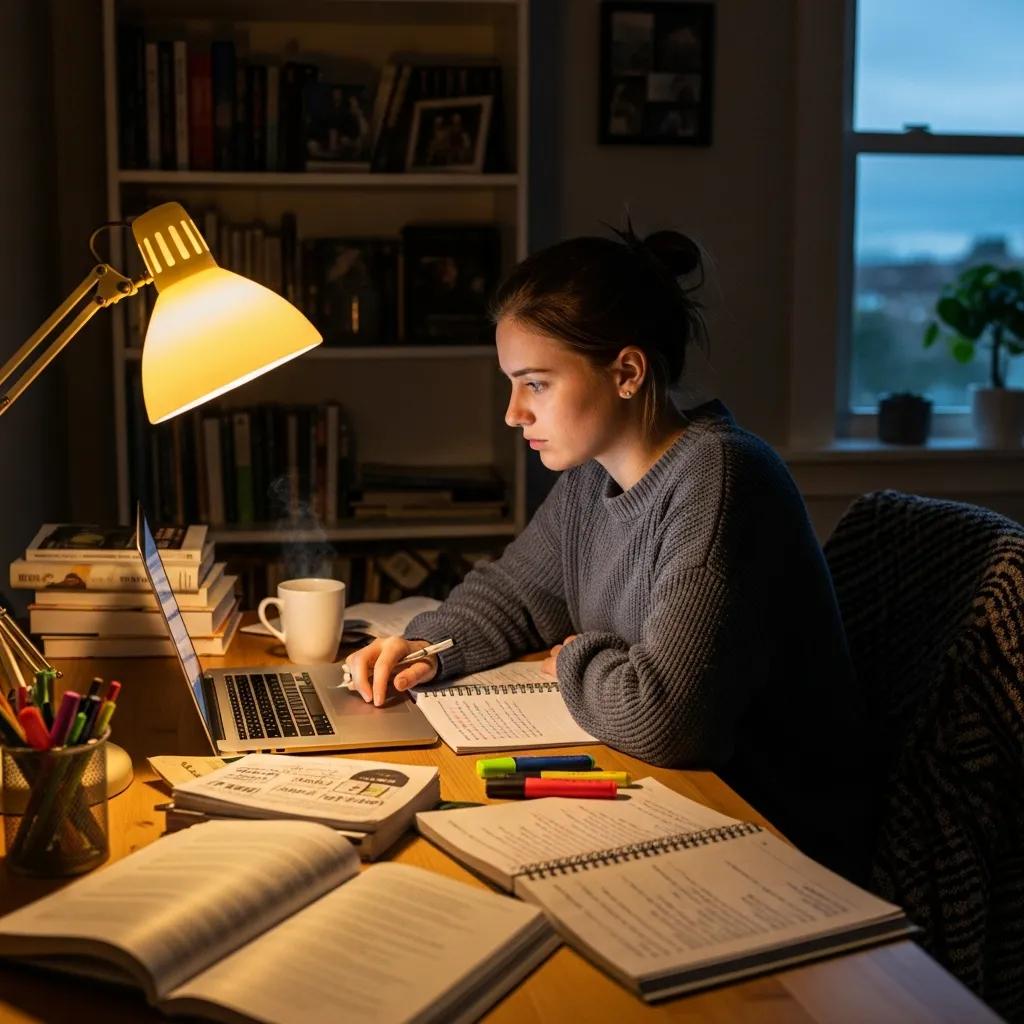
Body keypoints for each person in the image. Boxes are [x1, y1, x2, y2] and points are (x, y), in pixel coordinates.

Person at [346, 223, 872, 882]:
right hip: (675, 808)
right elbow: (514, 595)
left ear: (626, 372)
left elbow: (665, 719)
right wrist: (427, 647)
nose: (513, 413)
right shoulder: (593, 479)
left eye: (535, 383)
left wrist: (579, 656)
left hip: (775, 843)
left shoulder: (722, 479)